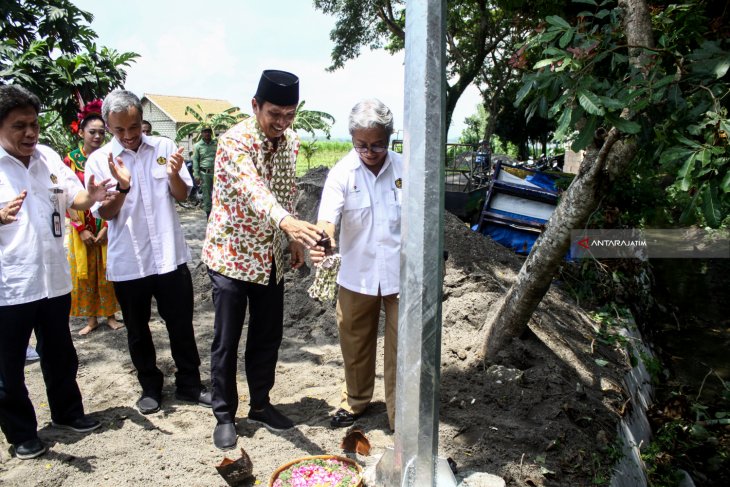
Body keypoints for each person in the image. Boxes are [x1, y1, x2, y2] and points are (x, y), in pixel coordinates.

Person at [202, 70, 323, 450]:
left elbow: (286, 190)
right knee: (226, 339)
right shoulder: (234, 142)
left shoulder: (291, 142)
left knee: (267, 337)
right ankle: (224, 414)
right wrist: (288, 222)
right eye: (275, 114)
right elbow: (254, 190)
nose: (282, 123)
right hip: (231, 256)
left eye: (289, 115)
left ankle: (260, 404)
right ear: (255, 106)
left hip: (270, 258)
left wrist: (293, 241)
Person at [85, 90, 211, 415]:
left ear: (143, 122)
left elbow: (182, 195)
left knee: (181, 324)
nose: (128, 136)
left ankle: (190, 385)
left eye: (134, 127)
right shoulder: (100, 162)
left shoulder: (166, 149)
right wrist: (122, 188)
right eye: (119, 130)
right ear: (110, 127)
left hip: (169, 256)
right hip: (130, 262)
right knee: (138, 331)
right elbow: (106, 215)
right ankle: (150, 387)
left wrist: (172, 175)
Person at [0, 85, 109, 460]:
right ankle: (21, 433)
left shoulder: (47, 158)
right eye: (19, 126)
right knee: (7, 366)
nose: (30, 133)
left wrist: (92, 196)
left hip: (52, 279)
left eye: (34, 125)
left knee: (60, 353)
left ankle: (67, 413)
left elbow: (73, 198)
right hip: (10, 286)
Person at [310, 99, 402, 431]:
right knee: (355, 343)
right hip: (356, 276)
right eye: (361, 144)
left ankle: (400, 415)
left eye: (378, 143)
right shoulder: (341, 173)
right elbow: (327, 219)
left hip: (400, 278)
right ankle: (356, 401)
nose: (370, 151)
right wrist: (324, 239)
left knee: (401, 349)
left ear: (389, 137)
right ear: (352, 139)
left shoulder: (407, 170)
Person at [64, 99, 122, 335]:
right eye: (92, 132)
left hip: (105, 222)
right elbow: (64, 196)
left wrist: (106, 226)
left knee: (108, 270)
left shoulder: (110, 159)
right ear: (82, 133)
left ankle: (110, 314)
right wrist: (80, 228)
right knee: (85, 271)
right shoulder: (70, 160)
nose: (97, 137)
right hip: (82, 224)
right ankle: (91, 319)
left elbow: (118, 191)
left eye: (101, 132)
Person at [192, 127, 217, 218]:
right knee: (206, 196)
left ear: (211, 133)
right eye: (205, 132)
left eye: (209, 132)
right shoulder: (197, 146)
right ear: (202, 133)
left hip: (216, 174)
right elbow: (195, 160)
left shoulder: (216, 144)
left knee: (217, 195)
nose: (207, 134)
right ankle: (208, 217)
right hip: (204, 174)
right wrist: (196, 175)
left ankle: (217, 216)